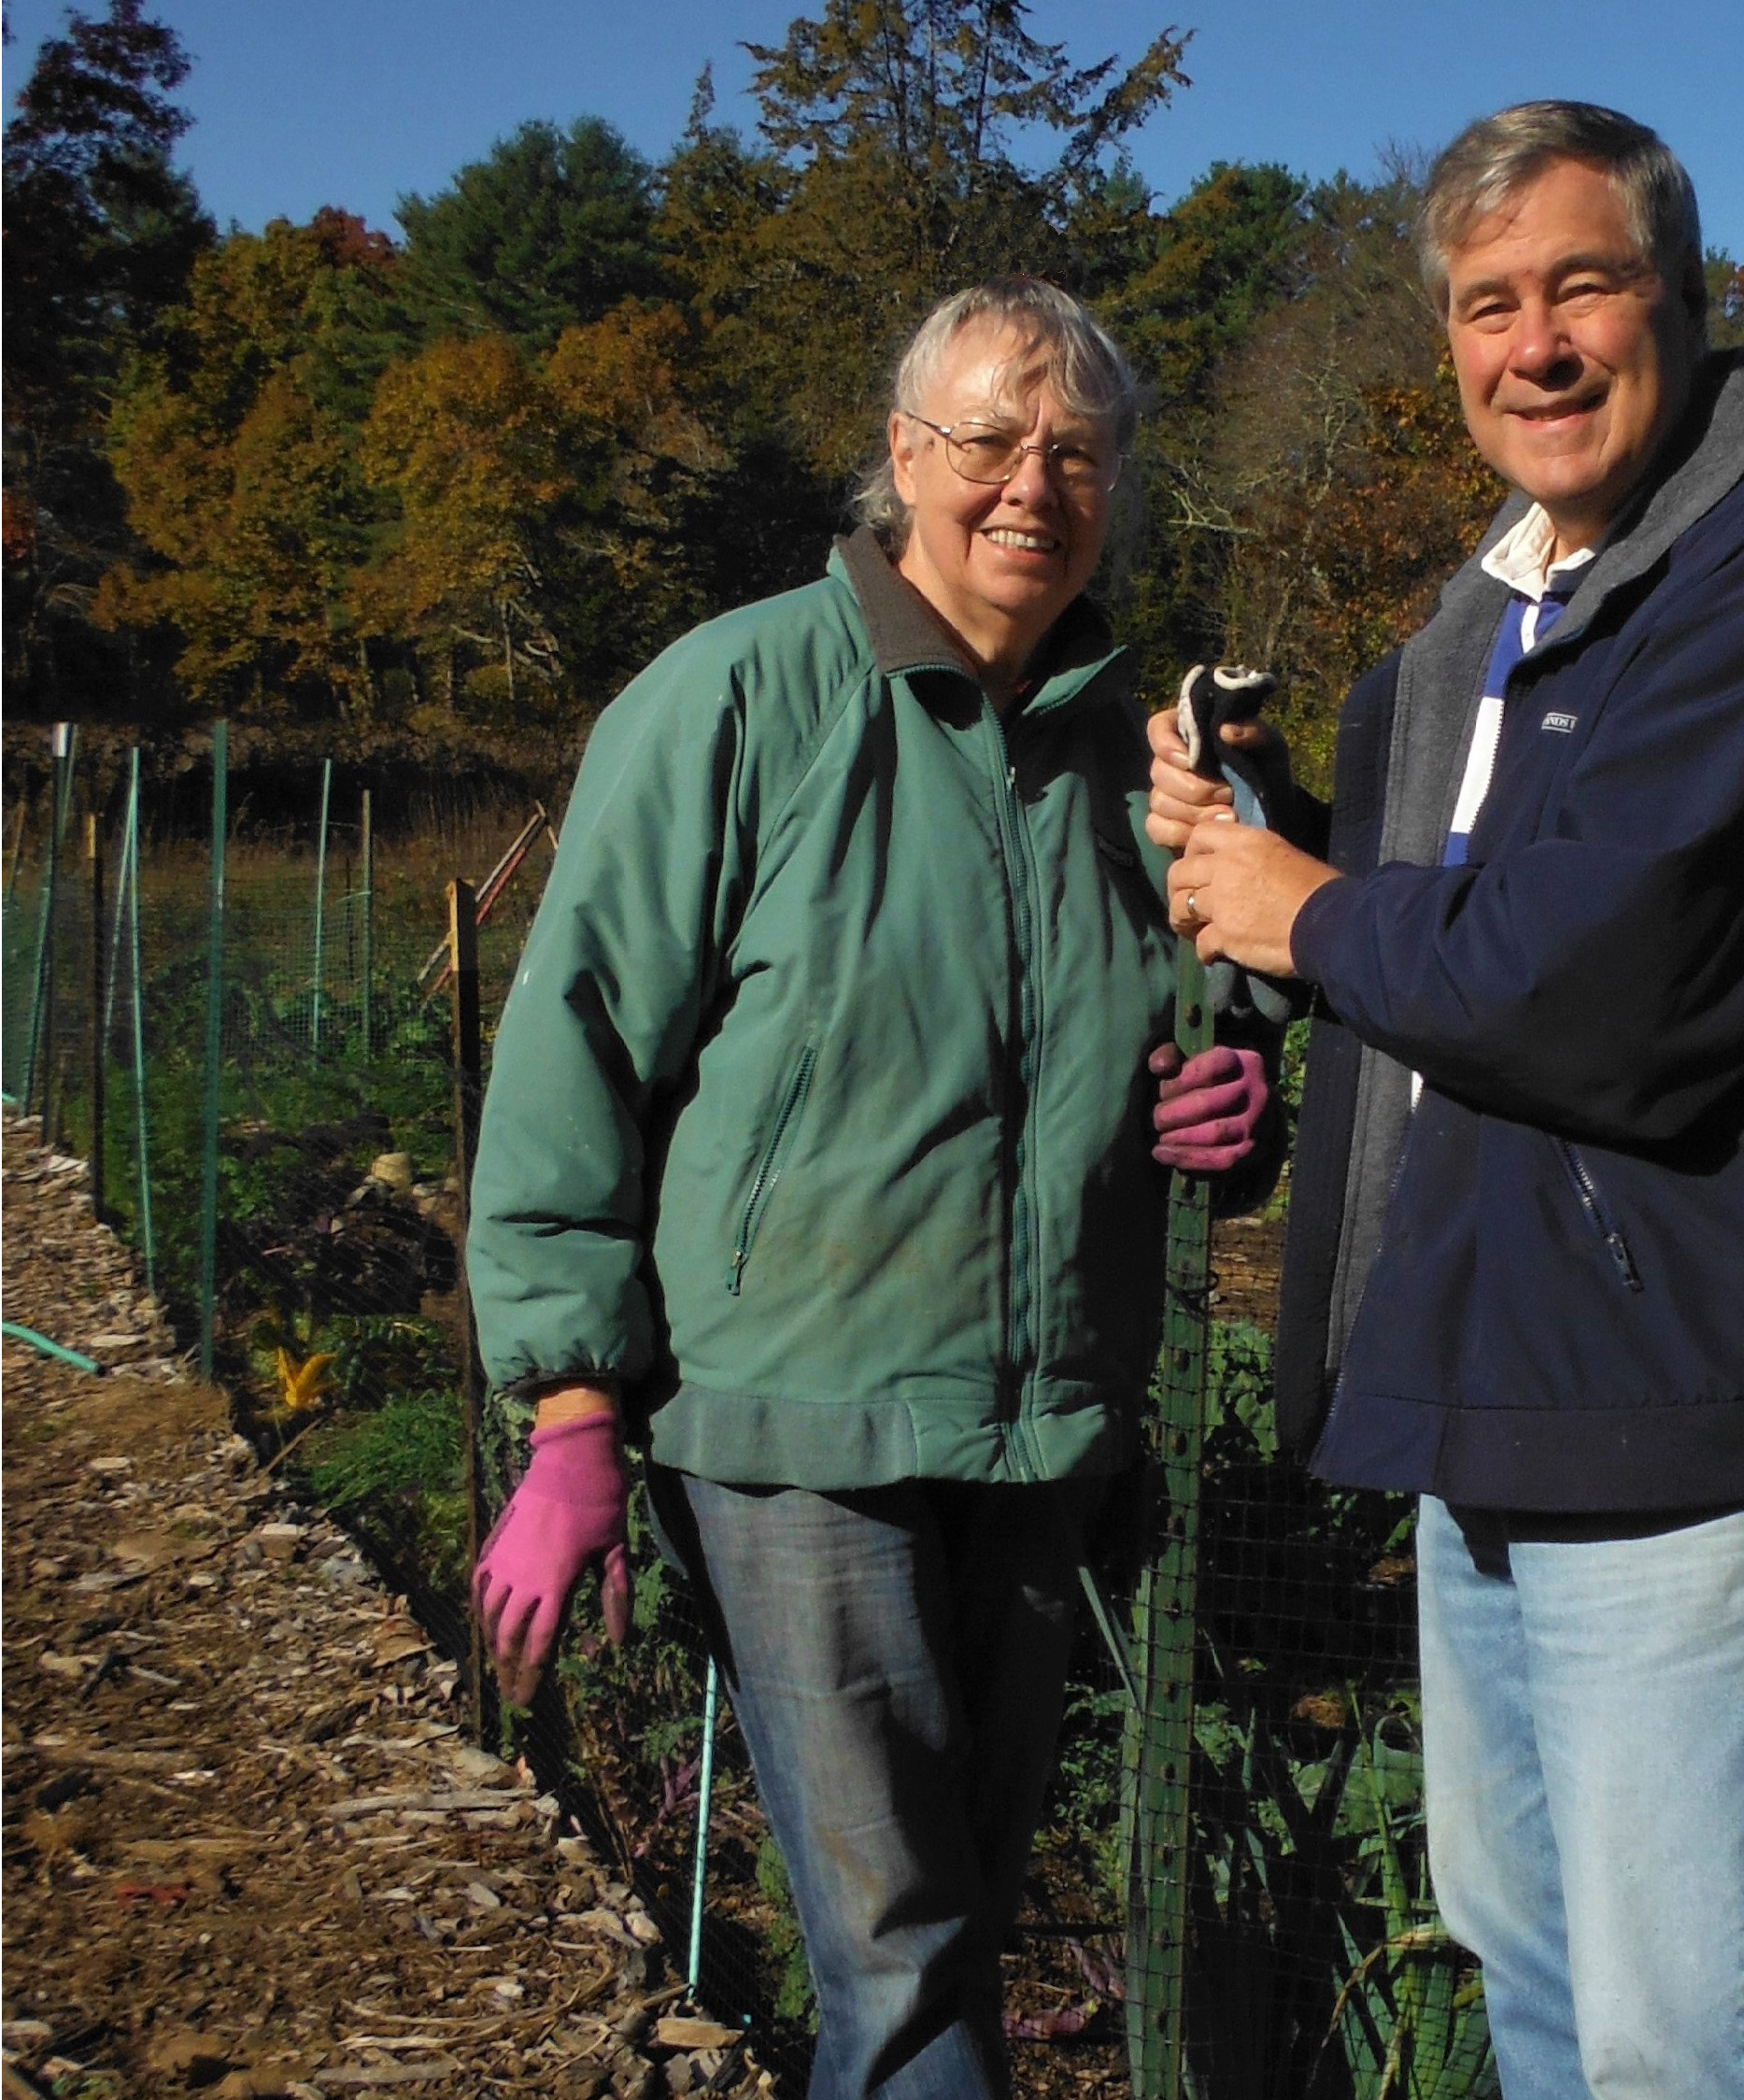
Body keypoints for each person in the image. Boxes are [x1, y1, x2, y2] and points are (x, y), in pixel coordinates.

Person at [1146, 104, 1744, 2099]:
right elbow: (1484, 925)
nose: (1534, 344)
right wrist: (1285, 850)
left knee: (1683, 2032)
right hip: (1494, 1379)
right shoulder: (1496, 612)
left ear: (1682, 306)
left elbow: (1601, 973)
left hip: (1681, 1412)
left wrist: (1312, 905)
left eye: (1582, 287)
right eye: (1487, 305)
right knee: (1535, 1976)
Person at [462, 277, 1273, 2100]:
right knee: (902, 1954)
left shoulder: (1149, 755)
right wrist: (576, 1404)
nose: (1030, 487)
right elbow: (577, 1046)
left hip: (1042, 1418)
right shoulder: (735, 699)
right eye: (988, 439)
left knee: (954, 1928)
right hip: (792, 1413)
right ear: (903, 456)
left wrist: (1236, 1091)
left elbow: (1209, 1024)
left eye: (1077, 451)